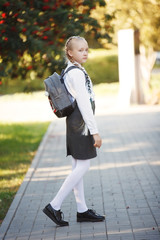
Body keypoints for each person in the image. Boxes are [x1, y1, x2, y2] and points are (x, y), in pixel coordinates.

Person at [43, 36, 105, 227]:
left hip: (75, 122)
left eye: (86, 49)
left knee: (78, 165)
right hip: (80, 123)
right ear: (70, 52)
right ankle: (54, 205)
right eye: (80, 50)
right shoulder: (76, 73)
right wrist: (94, 131)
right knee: (83, 166)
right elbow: (85, 104)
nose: (85, 52)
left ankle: (82, 210)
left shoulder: (74, 70)